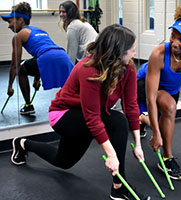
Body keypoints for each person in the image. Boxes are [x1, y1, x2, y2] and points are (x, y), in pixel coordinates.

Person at [11, 24, 151, 200]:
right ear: (117, 52)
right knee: (117, 121)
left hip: (88, 114)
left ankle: (23, 144)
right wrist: (111, 154)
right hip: (64, 115)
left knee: (63, 161)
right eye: (132, 50)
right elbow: (93, 117)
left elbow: (131, 105)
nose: (134, 53)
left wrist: (138, 144)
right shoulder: (89, 68)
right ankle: (119, 186)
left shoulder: (128, 67)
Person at [136, 3, 181, 180]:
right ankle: (167, 158)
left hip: (171, 92)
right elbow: (151, 95)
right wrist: (155, 134)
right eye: (173, 36)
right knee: (169, 109)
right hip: (143, 86)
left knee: (167, 114)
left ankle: (141, 119)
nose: (175, 43)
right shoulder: (159, 54)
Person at [1, 2, 73, 115]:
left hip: (47, 57)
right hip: (63, 55)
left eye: (10, 21)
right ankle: (73, 106)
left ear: (20, 20)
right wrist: (36, 78)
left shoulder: (18, 36)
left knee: (21, 69)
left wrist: (10, 86)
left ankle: (28, 105)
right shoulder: (40, 29)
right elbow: (41, 55)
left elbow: (15, 65)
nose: (9, 25)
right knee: (68, 85)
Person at [59, 0, 98, 65]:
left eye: (63, 12)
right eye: (60, 11)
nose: (61, 14)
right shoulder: (81, 22)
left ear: (70, 12)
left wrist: (69, 73)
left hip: (91, 55)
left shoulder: (73, 26)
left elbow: (71, 54)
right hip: (95, 54)